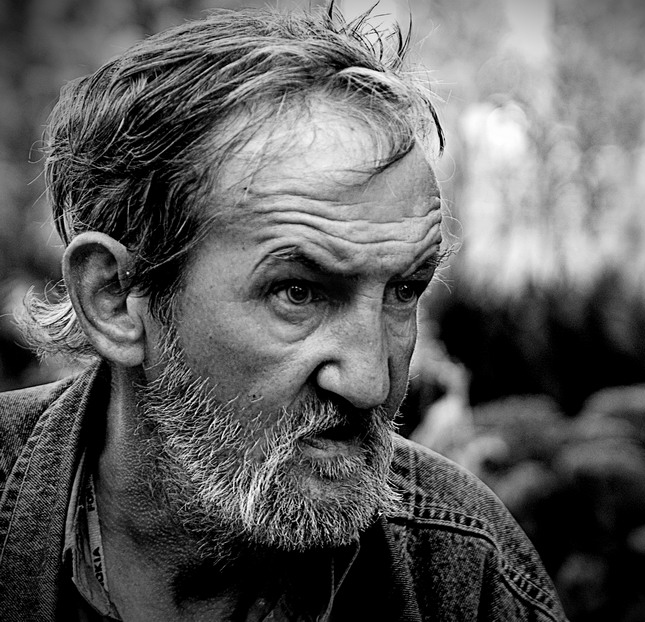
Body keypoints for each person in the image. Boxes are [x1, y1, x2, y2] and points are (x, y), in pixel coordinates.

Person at [0, 5, 567, 621]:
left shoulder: (464, 572)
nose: (372, 383)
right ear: (113, 299)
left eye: (404, 289)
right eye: (298, 292)